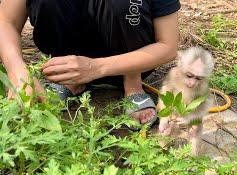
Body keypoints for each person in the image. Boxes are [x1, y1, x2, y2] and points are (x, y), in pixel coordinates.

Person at [0, 0, 180, 126]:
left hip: (131, 61)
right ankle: (70, 79)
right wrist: (17, 72)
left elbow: (168, 45)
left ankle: (132, 83)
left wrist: (96, 67)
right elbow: (6, 21)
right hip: (65, 62)